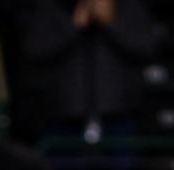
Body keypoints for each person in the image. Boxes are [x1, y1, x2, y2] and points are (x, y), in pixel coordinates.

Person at [18, 1, 157, 138]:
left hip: (120, 112)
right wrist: (72, 25)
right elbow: (34, 51)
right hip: (61, 113)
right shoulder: (52, 5)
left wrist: (111, 22)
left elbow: (146, 48)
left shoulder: (128, 5)